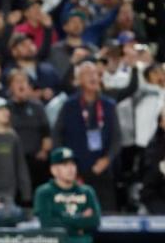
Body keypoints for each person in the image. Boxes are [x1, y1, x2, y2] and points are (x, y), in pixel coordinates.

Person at [52, 61, 122, 211]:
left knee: (107, 214)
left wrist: (107, 159)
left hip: (103, 170)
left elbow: (117, 138)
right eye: (88, 74)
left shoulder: (109, 105)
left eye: (96, 73)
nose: (94, 77)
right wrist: (64, 164)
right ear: (78, 80)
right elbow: (57, 135)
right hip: (75, 171)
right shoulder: (69, 106)